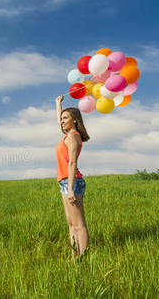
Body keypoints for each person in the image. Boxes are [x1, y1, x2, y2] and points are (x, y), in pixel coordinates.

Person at [55, 95, 90, 257]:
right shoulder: (67, 135)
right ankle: (74, 256)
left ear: (74, 120)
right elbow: (59, 121)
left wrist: (70, 188)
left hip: (72, 182)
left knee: (79, 224)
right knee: (70, 223)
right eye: (61, 118)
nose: (62, 121)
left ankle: (83, 258)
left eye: (65, 118)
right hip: (65, 181)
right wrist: (58, 104)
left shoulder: (74, 136)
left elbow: (72, 163)